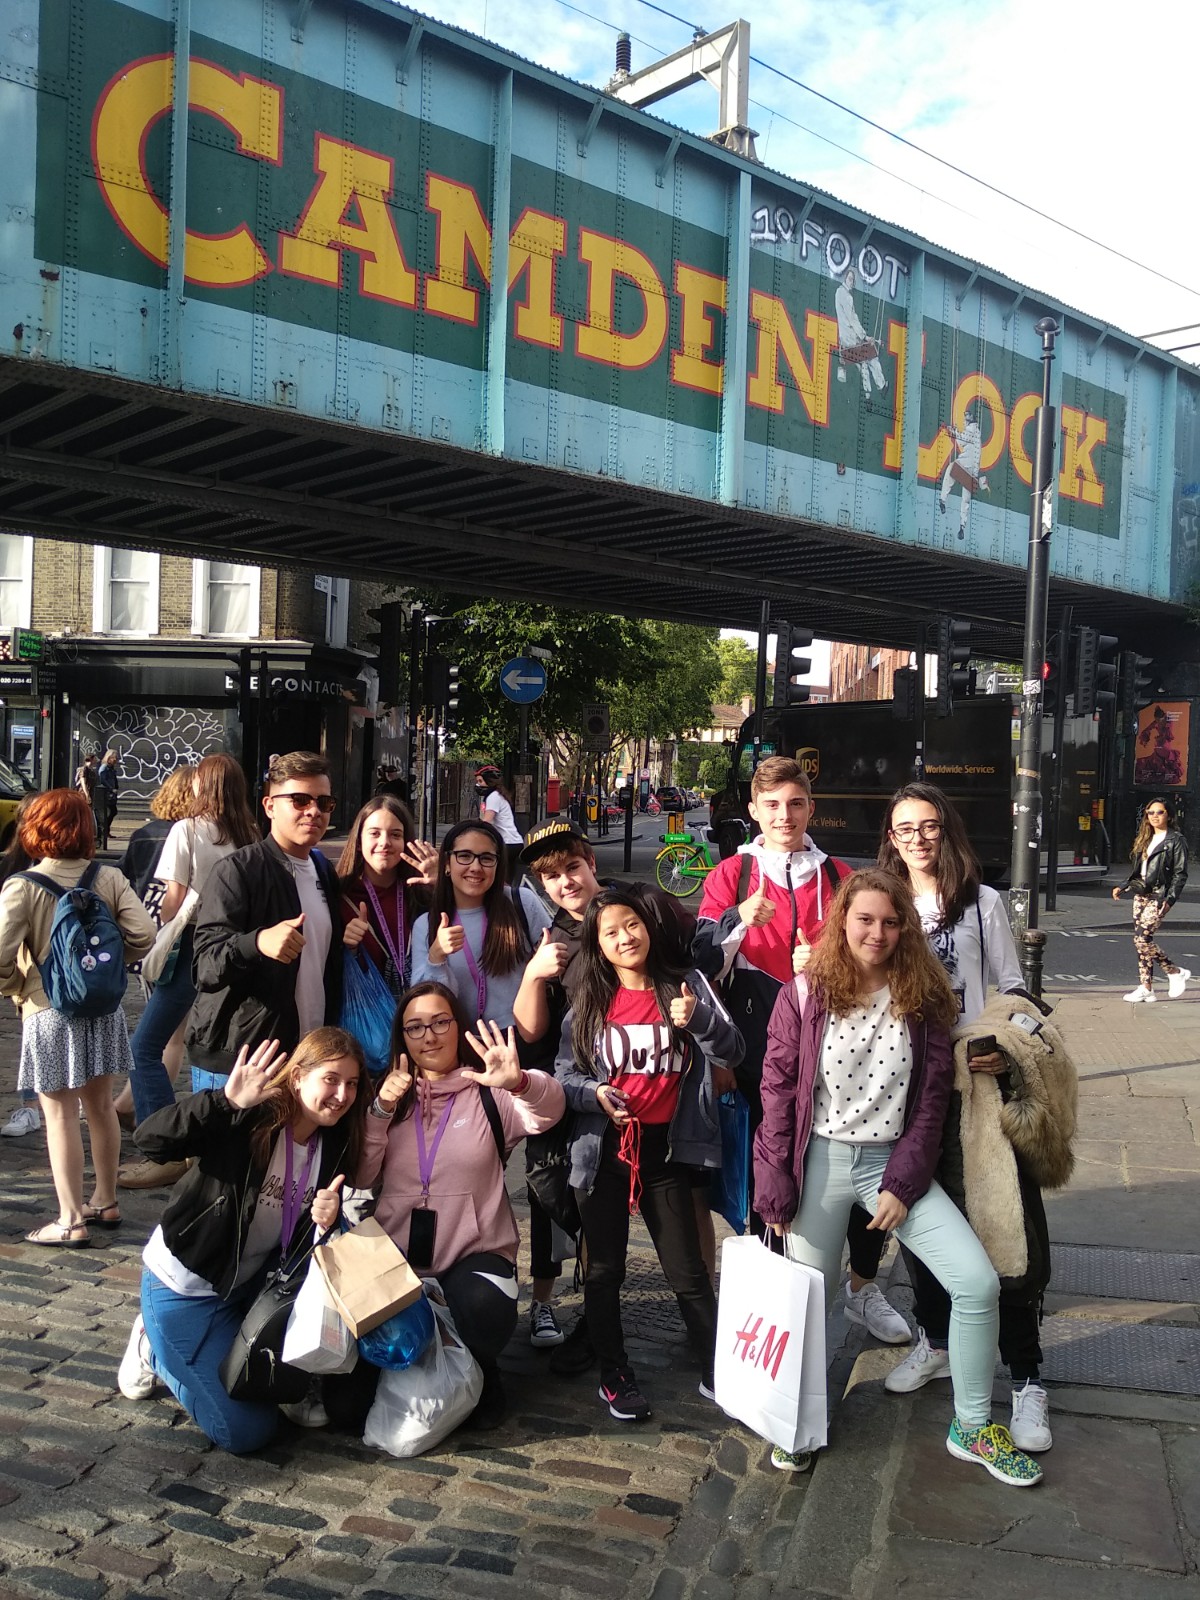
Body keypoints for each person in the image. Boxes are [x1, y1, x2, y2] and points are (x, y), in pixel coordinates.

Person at [755, 868, 1042, 1487]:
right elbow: (777, 1091)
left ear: (906, 928)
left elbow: (932, 1101)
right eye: (865, 919)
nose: (877, 933)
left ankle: (972, 1427)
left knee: (976, 1283)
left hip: (891, 1162)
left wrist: (903, 1182)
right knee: (810, 1300)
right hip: (820, 1160)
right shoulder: (803, 993)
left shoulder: (925, 997)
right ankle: (797, 1422)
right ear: (842, 921)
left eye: (890, 922)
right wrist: (773, 1184)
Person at [695, 757, 908, 1346]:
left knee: (861, 1162)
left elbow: (878, 950)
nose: (783, 816)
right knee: (772, 1162)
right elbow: (702, 963)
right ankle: (778, 1288)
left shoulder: (840, 875)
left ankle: (862, 1287)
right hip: (757, 1040)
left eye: (794, 804)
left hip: (842, 1044)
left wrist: (828, 963)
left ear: (811, 808)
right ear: (753, 811)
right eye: (771, 805)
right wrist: (738, 921)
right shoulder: (732, 874)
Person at [876, 782, 1053, 1453]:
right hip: (905, 1090)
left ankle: (1028, 1378)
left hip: (976, 1092)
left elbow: (1014, 990)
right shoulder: (884, 903)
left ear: (945, 830)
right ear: (891, 838)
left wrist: (1003, 1046)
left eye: (928, 825)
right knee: (921, 1226)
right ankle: (936, 1340)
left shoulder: (982, 903)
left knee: (1008, 1232)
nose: (917, 838)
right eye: (904, 828)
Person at [116, 1029, 365, 1453]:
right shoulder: (251, 1115)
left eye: (352, 1083)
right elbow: (150, 1140)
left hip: (250, 1289)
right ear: (297, 1077)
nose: (342, 1095)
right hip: (186, 1288)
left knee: (272, 1398)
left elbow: (300, 1236)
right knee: (247, 1432)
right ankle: (151, 1345)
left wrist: (324, 1220)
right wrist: (225, 1102)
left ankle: (283, 1379)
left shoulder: (336, 1140)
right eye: (331, 1079)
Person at [556, 887, 743, 1422]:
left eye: (631, 925)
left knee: (688, 1272)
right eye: (610, 932)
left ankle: (718, 1369)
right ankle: (614, 1374)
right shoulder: (591, 1000)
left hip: (667, 1152)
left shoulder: (686, 985)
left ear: (648, 926)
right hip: (603, 1152)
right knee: (605, 1271)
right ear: (598, 944)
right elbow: (564, 1074)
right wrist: (593, 1093)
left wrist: (699, 1020)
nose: (624, 938)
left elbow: (733, 1050)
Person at [346, 981, 566, 1431]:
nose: (428, 1036)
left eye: (440, 1022)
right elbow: (362, 1176)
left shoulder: (488, 1090)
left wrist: (519, 1082)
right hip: (397, 1257)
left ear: (458, 1025)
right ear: (402, 1037)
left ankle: (482, 1370)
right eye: (415, 1027)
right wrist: (381, 1110)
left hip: (474, 1251)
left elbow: (549, 1111)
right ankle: (411, 1368)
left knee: (481, 1308)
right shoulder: (386, 1096)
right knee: (345, 1407)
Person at [411, 820, 559, 1335]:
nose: (476, 867)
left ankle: (543, 1299)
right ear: (447, 861)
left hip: (523, 1051)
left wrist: (547, 962)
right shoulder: (428, 924)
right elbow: (423, 1002)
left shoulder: (520, 903)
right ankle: (467, 1279)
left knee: (545, 1177)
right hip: (463, 1063)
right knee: (468, 1175)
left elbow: (554, 952)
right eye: (465, 856)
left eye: (487, 858)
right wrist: (436, 956)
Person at [0, 790, 155, 1245]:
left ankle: (70, 1220)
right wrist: (106, 966)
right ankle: (105, 1199)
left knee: (59, 1114)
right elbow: (144, 933)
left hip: (48, 1010)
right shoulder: (108, 877)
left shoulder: (24, 885)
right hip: (102, 1009)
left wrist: (18, 984)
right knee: (101, 1106)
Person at [119, 754, 264, 1191]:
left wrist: (163, 928)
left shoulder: (187, 829)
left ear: (204, 785)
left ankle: (166, 1144)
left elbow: (173, 898)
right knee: (213, 1044)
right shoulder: (251, 834)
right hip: (236, 949)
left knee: (144, 1047)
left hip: (191, 947)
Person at [186, 750, 343, 1094]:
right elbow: (205, 966)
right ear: (270, 806)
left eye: (324, 802)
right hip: (242, 1059)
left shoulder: (323, 870)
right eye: (300, 800)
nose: (314, 811)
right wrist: (256, 942)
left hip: (306, 1055)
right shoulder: (237, 871)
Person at [336, 794, 437, 996]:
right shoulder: (339, 896)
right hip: (365, 1009)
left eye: (395, 835)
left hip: (418, 1008)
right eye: (374, 833)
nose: (385, 842)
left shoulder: (421, 892)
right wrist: (349, 948)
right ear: (358, 841)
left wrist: (442, 888)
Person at [1113, 796, 1189, 1003]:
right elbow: (1139, 871)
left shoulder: (1176, 840)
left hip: (1159, 895)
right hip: (1141, 894)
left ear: (1169, 815)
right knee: (1141, 943)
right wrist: (1123, 886)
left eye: (1160, 812)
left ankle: (1175, 972)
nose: (1155, 816)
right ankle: (1146, 988)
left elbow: (1180, 874)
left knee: (1142, 939)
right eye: (1151, 812)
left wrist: (1170, 899)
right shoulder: (1145, 838)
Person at [0, 797, 42, 1140]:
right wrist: (13, 980)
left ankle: (37, 1105)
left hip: (44, 972)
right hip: (23, 970)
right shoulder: (12, 866)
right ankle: (30, 1105)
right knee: (30, 1037)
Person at [474, 766, 524, 877]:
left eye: (480, 781)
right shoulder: (496, 795)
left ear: (489, 781)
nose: (478, 785)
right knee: (505, 878)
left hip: (507, 843)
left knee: (498, 876)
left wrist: (474, 832)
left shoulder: (493, 797)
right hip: (512, 843)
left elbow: (487, 822)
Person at [94, 749, 121, 850]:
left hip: (112, 793)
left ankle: (106, 830)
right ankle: (104, 831)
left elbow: (114, 779)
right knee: (109, 812)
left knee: (113, 811)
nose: (116, 760)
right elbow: (103, 780)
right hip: (106, 794)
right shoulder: (104, 768)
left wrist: (116, 787)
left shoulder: (111, 768)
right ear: (109, 758)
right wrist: (111, 788)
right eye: (114, 758)